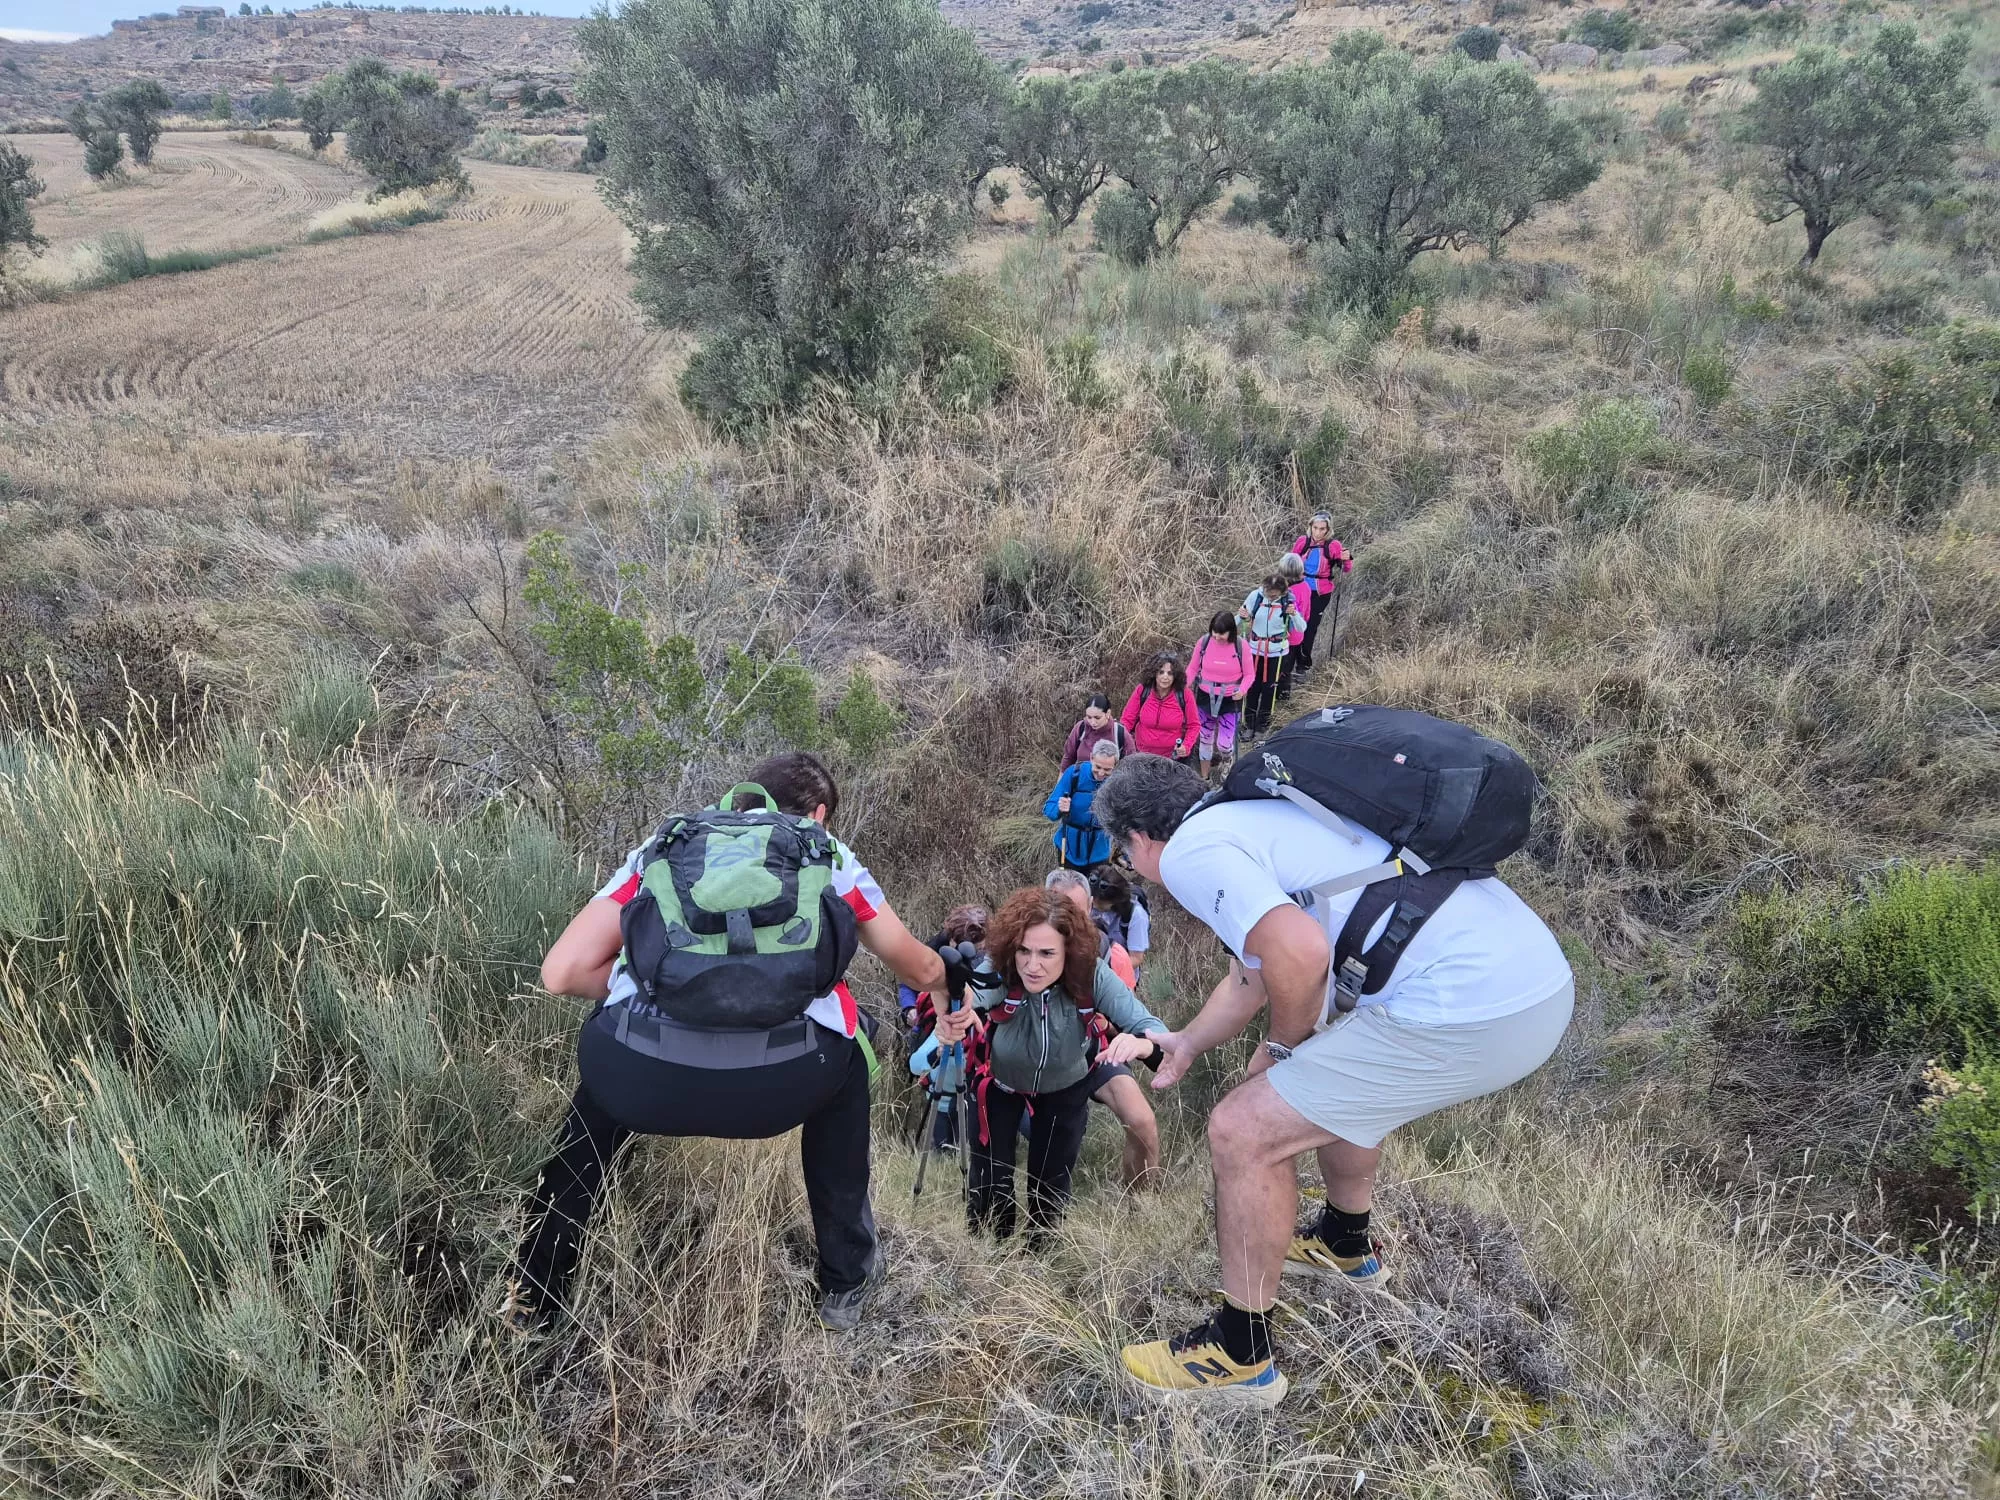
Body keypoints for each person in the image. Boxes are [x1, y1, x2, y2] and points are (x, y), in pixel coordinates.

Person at [1091, 752, 1575, 1407]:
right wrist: (1187, 1042)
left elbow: (1301, 954)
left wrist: (1283, 1050)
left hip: (1472, 1006)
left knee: (1243, 1128)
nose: (1135, 868)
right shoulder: (1259, 818)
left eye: (1126, 857)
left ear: (1141, 841)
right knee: (1333, 1074)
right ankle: (1346, 1244)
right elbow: (1254, 972)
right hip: (1526, 981)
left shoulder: (1190, 853)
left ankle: (1240, 1356)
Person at [505, 752, 963, 1335]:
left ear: (738, 803)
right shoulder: (827, 855)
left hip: (641, 1084)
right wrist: (949, 986)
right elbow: (918, 967)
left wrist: (639, 988)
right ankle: (844, 1285)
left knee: (611, 1048)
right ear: (819, 815)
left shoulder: (664, 848)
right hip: (782, 1087)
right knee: (849, 1049)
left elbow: (562, 974)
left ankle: (538, 1296)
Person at [932, 886, 1168, 1241]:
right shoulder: (1002, 966)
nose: (1032, 964)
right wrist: (954, 1009)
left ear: (1069, 951)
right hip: (999, 1085)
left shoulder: (1092, 975)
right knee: (991, 1186)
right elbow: (974, 993)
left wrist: (1141, 1044)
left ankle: (1038, 1256)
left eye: (1046, 953)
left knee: (1050, 1187)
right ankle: (988, 1260)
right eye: (1024, 950)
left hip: (1065, 1088)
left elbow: (1158, 1034)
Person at [1046, 869, 1162, 1190]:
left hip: (1093, 1049)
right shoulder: (1022, 951)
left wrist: (1142, 1042)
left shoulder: (1106, 954)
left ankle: (1139, 1202)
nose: (1068, 921)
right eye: (1059, 908)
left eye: (1077, 911)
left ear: (1090, 911)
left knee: (1142, 1123)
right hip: (1038, 1059)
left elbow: (1134, 1017)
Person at [900, 903, 990, 1152]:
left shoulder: (987, 960)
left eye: (981, 949)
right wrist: (910, 1009)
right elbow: (908, 981)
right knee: (941, 1139)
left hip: (968, 1083)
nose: (976, 956)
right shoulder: (931, 950)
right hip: (935, 1025)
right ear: (952, 940)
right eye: (974, 949)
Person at [1237, 569, 1305, 739]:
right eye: (1269, 594)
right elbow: (1237, 619)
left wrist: (1294, 614)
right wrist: (1239, 617)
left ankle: (1262, 726)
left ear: (1282, 592)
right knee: (1252, 687)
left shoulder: (1288, 601)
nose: (1271, 597)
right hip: (1254, 651)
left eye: (1275, 595)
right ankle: (1249, 725)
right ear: (1264, 589)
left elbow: (1301, 627)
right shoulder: (1256, 596)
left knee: (1269, 689)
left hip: (1277, 652)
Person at [1189, 610, 1253, 784]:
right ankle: (1205, 777)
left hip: (1230, 699)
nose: (1217, 637)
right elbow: (1193, 668)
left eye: (1221, 634)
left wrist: (1242, 690)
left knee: (1224, 744)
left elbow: (1249, 674)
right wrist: (1184, 686)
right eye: (1214, 632)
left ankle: (1227, 760)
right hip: (1204, 697)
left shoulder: (1241, 646)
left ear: (1231, 631)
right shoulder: (1204, 642)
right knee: (1205, 737)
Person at [1044, 737, 1120, 873]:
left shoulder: (1117, 784)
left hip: (1100, 851)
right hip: (1069, 849)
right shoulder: (1074, 774)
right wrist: (1059, 808)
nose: (1101, 773)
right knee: (1070, 893)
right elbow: (1049, 808)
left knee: (1097, 893)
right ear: (1091, 758)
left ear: (1115, 766)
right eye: (1098, 767)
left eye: (1107, 770)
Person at [1290, 512, 1353, 675]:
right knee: (1295, 625)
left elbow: (1345, 569)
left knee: (1310, 628)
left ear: (1328, 530)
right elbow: (1292, 562)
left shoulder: (1333, 546)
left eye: (1322, 529)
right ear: (1310, 526)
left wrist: (1347, 559)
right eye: (1315, 528)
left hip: (1320, 592)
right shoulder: (1302, 542)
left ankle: (1303, 665)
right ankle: (1289, 663)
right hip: (1299, 590)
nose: (1318, 532)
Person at [1120, 653, 1201, 764]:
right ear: (1154, 674)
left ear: (1176, 676)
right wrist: (1121, 740)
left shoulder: (1184, 694)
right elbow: (1127, 720)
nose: (1165, 677)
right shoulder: (1143, 690)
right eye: (1161, 672)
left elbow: (1194, 725)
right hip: (1141, 755)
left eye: (1170, 673)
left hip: (1172, 759)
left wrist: (1186, 746)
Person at [1089, 866, 1150, 982]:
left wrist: (1106, 973)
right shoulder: (1090, 901)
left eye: (1099, 904)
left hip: (1119, 978)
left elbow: (1136, 958)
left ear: (1115, 901)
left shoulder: (1136, 915)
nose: (1094, 906)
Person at [1060, 693, 1135, 770]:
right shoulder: (1080, 728)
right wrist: (1061, 781)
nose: (1092, 722)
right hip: (1080, 779)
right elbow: (1068, 759)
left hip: (1111, 781)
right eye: (1089, 717)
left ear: (1108, 713)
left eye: (1097, 718)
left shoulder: (1120, 733)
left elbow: (1131, 766)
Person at [1276, 553, 1311, 705]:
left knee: (1281, 670)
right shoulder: (1306, 587)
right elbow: (1308, 613)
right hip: (1297, 636)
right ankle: (1283, 696)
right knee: (1287, 669)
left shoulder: (1288, 592)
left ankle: (1281, 697)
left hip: (1285, 637)